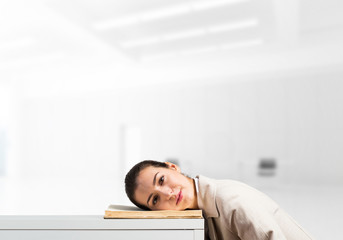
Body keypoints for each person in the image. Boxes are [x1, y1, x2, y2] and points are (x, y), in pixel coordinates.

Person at [125, 160, 314, 240]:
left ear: (173, 167)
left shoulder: (231, 202)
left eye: (161, 180)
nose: (168, 194)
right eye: (155, 200)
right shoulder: (199, 212)